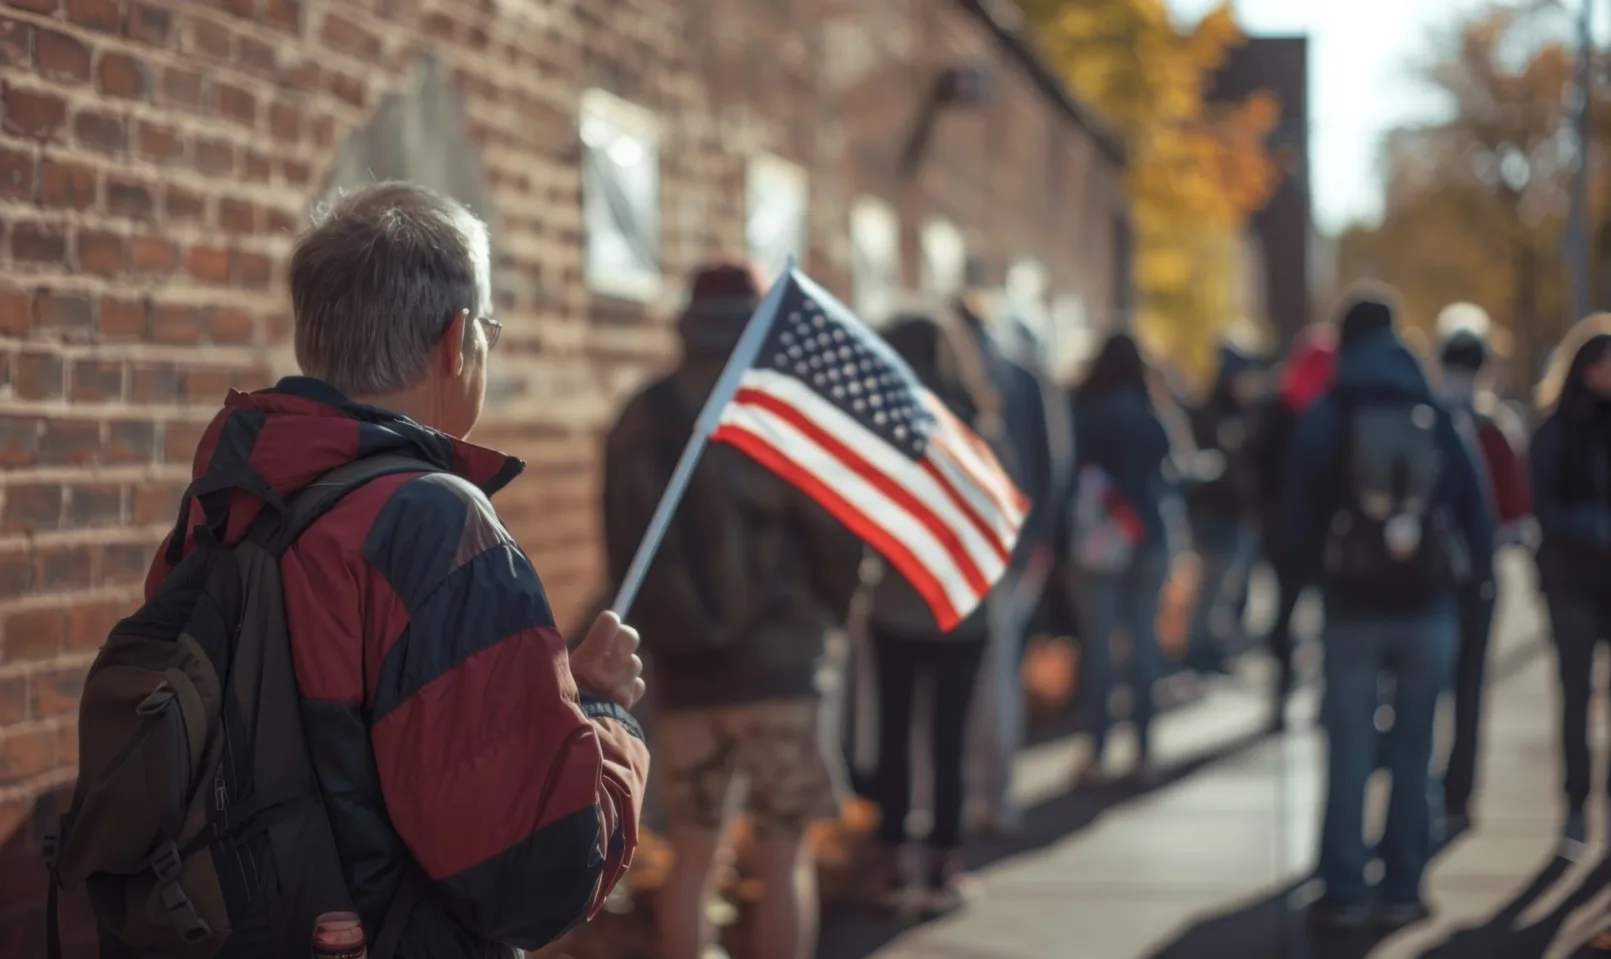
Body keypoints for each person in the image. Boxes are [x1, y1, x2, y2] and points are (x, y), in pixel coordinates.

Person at [141, 182, 651, 956]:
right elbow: (534, 875)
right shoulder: (430, 523)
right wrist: (608, 718)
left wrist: (548, 697)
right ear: (457, 339)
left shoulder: (229, 499)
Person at [601, 261, 863, 959]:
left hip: (685, 674)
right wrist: (832, 618)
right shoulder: (778, 415)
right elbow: (834, 541)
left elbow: (621, 544)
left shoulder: (642, 414)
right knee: (782, 862)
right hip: (780, 669)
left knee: (690, 858)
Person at [1282, 289, 1494, 930]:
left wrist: (1299, 590)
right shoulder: (1431, 404)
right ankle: (1404, 881)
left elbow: (1298, 513)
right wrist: (1472, 583)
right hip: (1426, 603)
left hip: (1350, 606)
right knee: (1414, 747)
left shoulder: (1331, 410)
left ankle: (1343, 885)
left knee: (1347, 747)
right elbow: (1474, 505)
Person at [863, 310, 1007, 917]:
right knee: (949, 739)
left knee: (894, 736)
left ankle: (897, 865)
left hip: (895, 604)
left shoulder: (876, 421)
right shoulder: (975, 421)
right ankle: (945, 865)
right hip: (963, 608)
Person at [1435, 316, 1532, 838]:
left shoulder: (1425, 416)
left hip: (1428, 576)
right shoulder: (1496, 429)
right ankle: (1458, 792)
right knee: (1469, 688)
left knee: (1424, 689)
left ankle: (1421, 787)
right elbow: (1515, 518)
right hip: (1478, 577)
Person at [1068, 332, 1178, 787]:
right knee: (1143, 647)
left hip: (1096, 542)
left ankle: (1097, 751)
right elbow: (1170, 468)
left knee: (1098, 650)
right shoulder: (1151, 413)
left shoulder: (1084, 411)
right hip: (1147, 538)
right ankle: (1145, 750)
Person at [1529, 313, 1611, 853]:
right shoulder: (1556, 429)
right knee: (1575, 694)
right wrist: (1594, 527)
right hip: (1571, 578)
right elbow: (1545, 506)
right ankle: (1575, 805)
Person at [1246, 323, 1337, 727]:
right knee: (1330, 619)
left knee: (1285, 616)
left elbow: (1255, 469)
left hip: (1285, 532)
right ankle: (1322, 697)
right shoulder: (1337, 411)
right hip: (1327, 534)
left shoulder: (1278, 408)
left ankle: (1283, 694)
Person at [1183, 343, 1269, 676]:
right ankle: (1202, 650)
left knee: (1224, 588)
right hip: (1218, 512)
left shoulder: (1246, 412)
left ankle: (1212, 648)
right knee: (1214, 589)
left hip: (1234, 511)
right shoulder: (1216, 413)